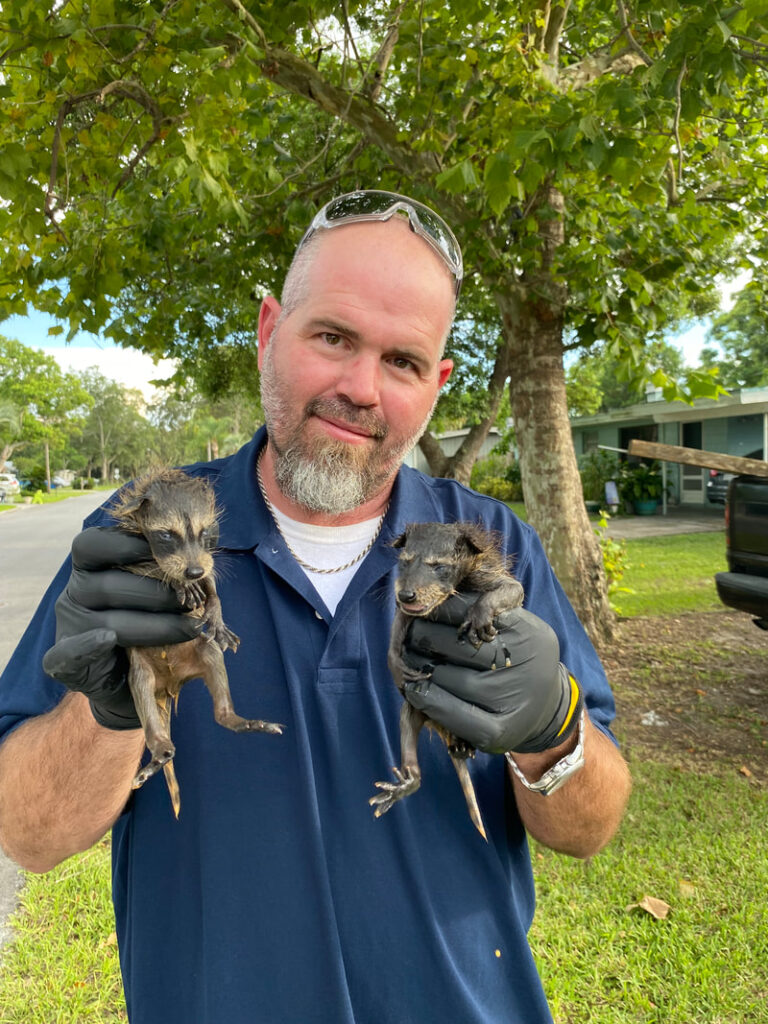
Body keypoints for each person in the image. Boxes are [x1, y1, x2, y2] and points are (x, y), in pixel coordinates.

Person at [0, 191, 631, 1024]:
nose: (360, 388)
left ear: (438, 383)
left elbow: (588, 829)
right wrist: (111, 706)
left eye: (403, 361)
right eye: (333, 337)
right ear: (269, 331)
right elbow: (30, 836)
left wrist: (555, 727)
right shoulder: (144, 531)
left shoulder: (488, 544)